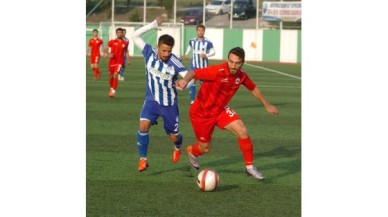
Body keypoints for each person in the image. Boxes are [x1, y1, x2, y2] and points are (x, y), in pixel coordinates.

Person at [176, 47, 279, 180]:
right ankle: (192, 152)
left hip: (220, 110)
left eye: (237, 63)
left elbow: (252, 88)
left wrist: (267, 104)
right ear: (227, 60)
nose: (233, 65)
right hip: (201, 114)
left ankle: (250, 167)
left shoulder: (241, 76)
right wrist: (185, 81)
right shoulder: (216, 71)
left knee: (242, 130)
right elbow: (193, 73)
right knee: (205, 148)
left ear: (242, 62)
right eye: (231, 61)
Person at [130, 16, 192, 172]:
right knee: (143, 126)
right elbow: (134, 35)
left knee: (174, 136)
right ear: (157, 47)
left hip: (169, 104)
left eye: (169, 51)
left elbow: (189, 78)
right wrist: (152, 25)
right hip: (151, 101)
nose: (166, 54)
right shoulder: (148, 52)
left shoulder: (174, 62)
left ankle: (178, 147)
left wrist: (183, 83)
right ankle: (143, 160)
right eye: (163, 50)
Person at [184, 24, 215, 104]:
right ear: (196, 31)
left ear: (204, 31)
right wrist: (187, 53)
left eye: (202, 30)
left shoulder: (208, 42)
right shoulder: (192, 40)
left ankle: (204, 99)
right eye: (199, 30)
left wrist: (206, 55)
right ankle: (192, 100)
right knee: (192, 81)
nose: (200, 32)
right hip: (194, 65)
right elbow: (190, 46)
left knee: (203, 83)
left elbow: (213, 52)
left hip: (203, 66)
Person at [103, 28, 129, 97]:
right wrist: (109, 54)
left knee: (115, 75)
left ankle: (113, 91)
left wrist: (128, 59)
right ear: (116, 33)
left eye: (121, 32)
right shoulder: (112, 41)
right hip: (112, 62)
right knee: (110, 76)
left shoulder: (125, 42)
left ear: (122, 33)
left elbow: (126, 51)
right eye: (118, 33)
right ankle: (111, 88)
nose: (119, 34)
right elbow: (105, 49)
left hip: (119, 62)